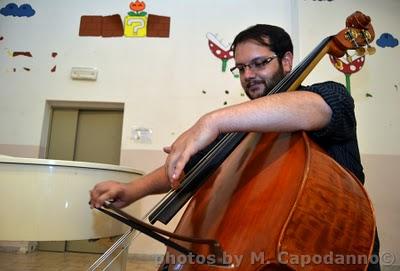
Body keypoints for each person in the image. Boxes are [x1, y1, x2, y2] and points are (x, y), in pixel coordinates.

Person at [90, 24, 380, 270]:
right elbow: (187, 167)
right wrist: (131, 190)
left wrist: (211, 121)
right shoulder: (242, 129)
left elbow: (318, 107)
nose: (248, 75)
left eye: (259, 63)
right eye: (241, 68)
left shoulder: (328, 96)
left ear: (287, 60)